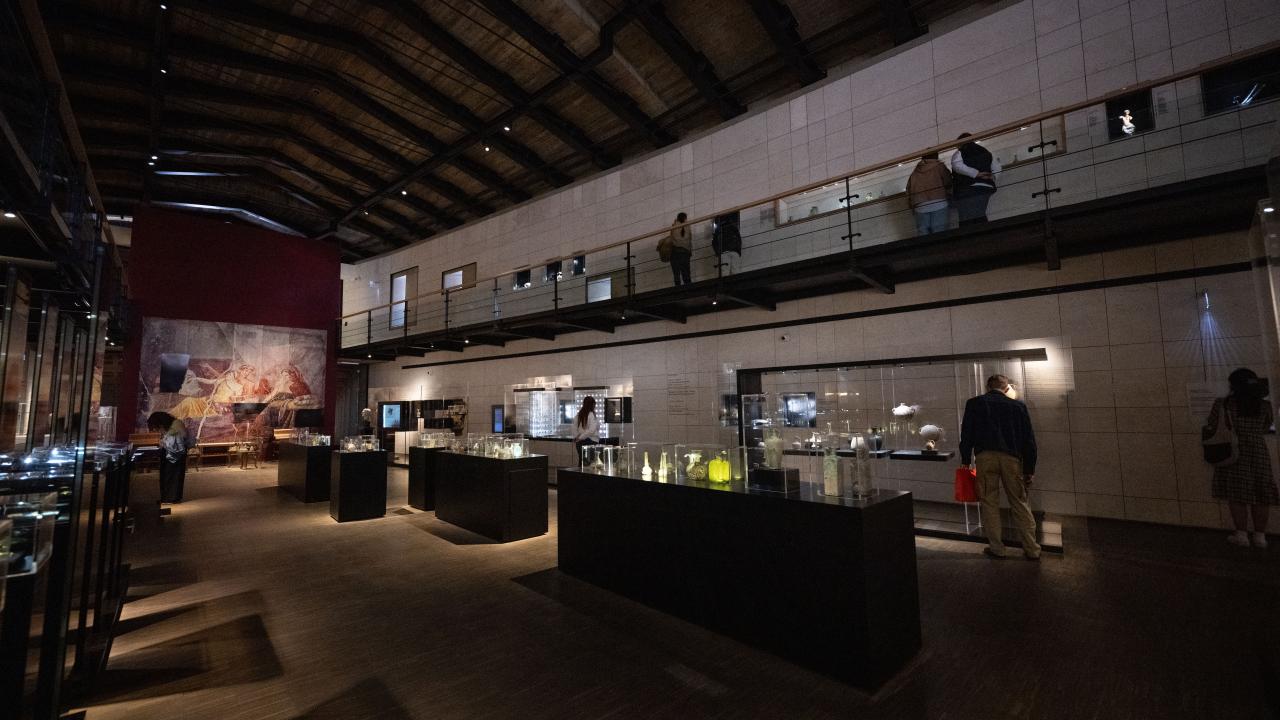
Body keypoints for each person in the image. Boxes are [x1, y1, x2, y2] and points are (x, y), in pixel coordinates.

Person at [959, 374, 1040, 559]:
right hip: (1012, 459)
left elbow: (967, 434)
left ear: (988, 387)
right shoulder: (1018, 406)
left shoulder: (974, 403)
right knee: (1019, 502)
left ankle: (997, 548)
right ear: (1006, 388)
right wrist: (1029, 469)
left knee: (989, 502)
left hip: (984, 457)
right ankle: (1032, 549)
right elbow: (1029, 441)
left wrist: (965, 459)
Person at [1206, 368, 1277, 548]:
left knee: (1236, 495)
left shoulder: (1223, 404)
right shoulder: (1265, 405)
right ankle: (1260, 537)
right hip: (1258, 452)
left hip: (1232, 453)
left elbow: (1213, 424)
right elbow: (1266, 426)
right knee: (1262, 494)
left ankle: (1241, 535)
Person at [950, 133, 1001, 226]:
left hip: (967, 187)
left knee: (966, 216)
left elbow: (957, 165)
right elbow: (997, 166)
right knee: (979, 213)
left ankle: (969, 234)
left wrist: (976, 174)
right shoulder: (986, 152)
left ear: (961, 142)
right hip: (986, 187)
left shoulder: (960, 152)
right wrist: (993, 177)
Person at [906, 151, 952, 235]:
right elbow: (948, 182)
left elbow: (909, 190)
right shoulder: (940, 167)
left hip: (920, 206)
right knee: (940, 234)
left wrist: (911, 205)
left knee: (923, 235)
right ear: (936, 156)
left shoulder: (915, 172)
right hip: (939, 203)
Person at [148, 411, 189, 504]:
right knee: (167, 475)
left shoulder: (176, 425)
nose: (157, 429)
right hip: (171, 454)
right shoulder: (174, 424)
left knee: (172, 476)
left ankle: (171, 498)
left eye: (157, 427)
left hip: (175, 455)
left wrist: (163, 443)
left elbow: (175, 442)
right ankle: (167, 497)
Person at [667, 212, 692, 286]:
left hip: (675, 252)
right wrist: (690, 251)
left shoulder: (674, 226)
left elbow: (671, 238)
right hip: (685, 252)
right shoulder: (688, 226)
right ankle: (688, 288)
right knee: (686, 272)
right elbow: (690, 239)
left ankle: (678, 288)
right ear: (685, 218)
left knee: (676, 273)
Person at [573, 396, 599, 461]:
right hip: (591, 441)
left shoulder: (579, 414)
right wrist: (581, 437)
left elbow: (574, 428)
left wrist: (578, 437)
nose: (595, 407)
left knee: (581, 462)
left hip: (579, 442)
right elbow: (592, 430)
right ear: (592, 405)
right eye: (594, 405)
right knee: (590, 463)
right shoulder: (591, 414)